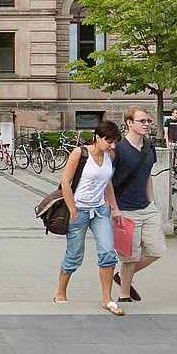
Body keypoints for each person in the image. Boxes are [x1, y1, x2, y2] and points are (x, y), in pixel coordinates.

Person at [53, 121, 125, 314]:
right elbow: (65, 184)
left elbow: (107, 182)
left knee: (108, 253)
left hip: (100, 211)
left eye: (115, 142)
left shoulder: (110, 155)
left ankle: (107, 299)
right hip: (79, 210)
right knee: (75, 255)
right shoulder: (80, 153)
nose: (112, 146)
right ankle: (60, 292)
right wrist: (74, 212)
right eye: (109, 141)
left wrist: (110, 205)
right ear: (98, 137)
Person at [112, 107, 165, 304]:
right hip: (124, 208)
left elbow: (147, 174)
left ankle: (121, 277)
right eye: (142, 121)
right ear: (129, 123)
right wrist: (114, 207)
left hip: (146, 207)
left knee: (156, 250)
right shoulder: (118, 149)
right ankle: (124, 294)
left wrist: (152, 201)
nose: (146, 124)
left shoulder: (149, 147)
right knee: (129, 255)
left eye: (148, 121)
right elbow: (108, 180)